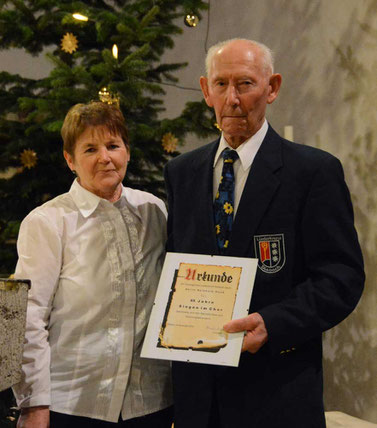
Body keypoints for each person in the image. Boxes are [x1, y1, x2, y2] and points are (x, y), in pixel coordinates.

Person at [164, 38, 364, 428]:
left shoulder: (312, 172)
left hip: (277, 396)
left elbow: (342, 278)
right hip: (198, 402)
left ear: (272, 88)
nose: (232, 99)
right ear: (206, 90)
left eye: (246, 84)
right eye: (221, 85)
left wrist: (274, 323)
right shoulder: (181, 173)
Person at [13, 101, 173, 428]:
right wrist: (33, 405)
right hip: (71, 404)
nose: (105, 157)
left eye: (113, 146)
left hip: (150, 402)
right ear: (69, 159)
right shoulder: (46, 222)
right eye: (90, 149)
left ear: (127, 152)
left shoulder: (154, 211)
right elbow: (22, 318)